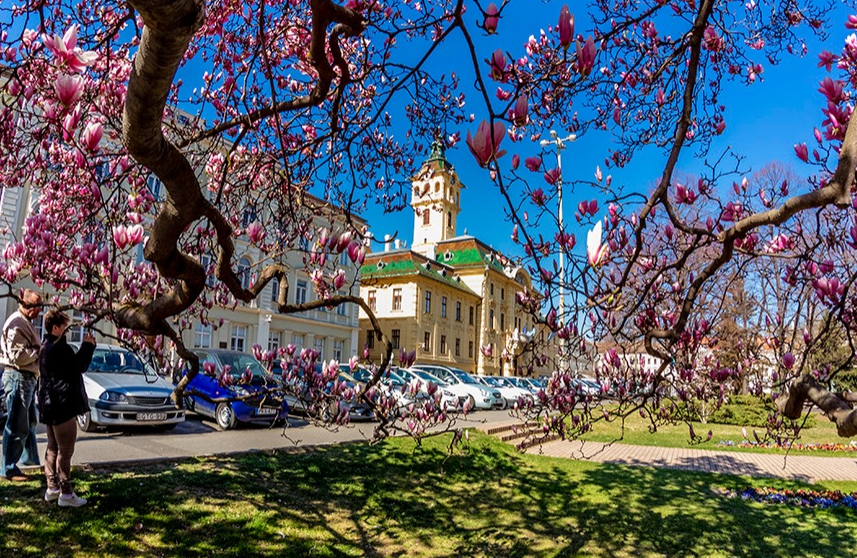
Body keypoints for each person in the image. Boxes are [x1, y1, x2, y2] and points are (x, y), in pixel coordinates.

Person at [38, 310, 95, 506]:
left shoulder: (45, 346)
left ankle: (52, 487)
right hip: (62, 404)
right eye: (64, 326)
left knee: (52, 447)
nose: (67, 330)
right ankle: (66, 493)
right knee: (66, 450)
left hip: (49, 404)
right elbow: (78, 366)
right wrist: (88, 346)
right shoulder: (59, 348)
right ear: (55, 328)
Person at [1, 289, 43, 481]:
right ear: (25, 305)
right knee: (17, 424)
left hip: (26, 378)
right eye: (36, 306)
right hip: (18, 377)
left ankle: (30, 461)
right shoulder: (17, 323)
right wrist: (37, 350)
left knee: (29, 422)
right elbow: (18, 356)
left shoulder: (25, 322)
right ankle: (8, 468)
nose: (39, 310)